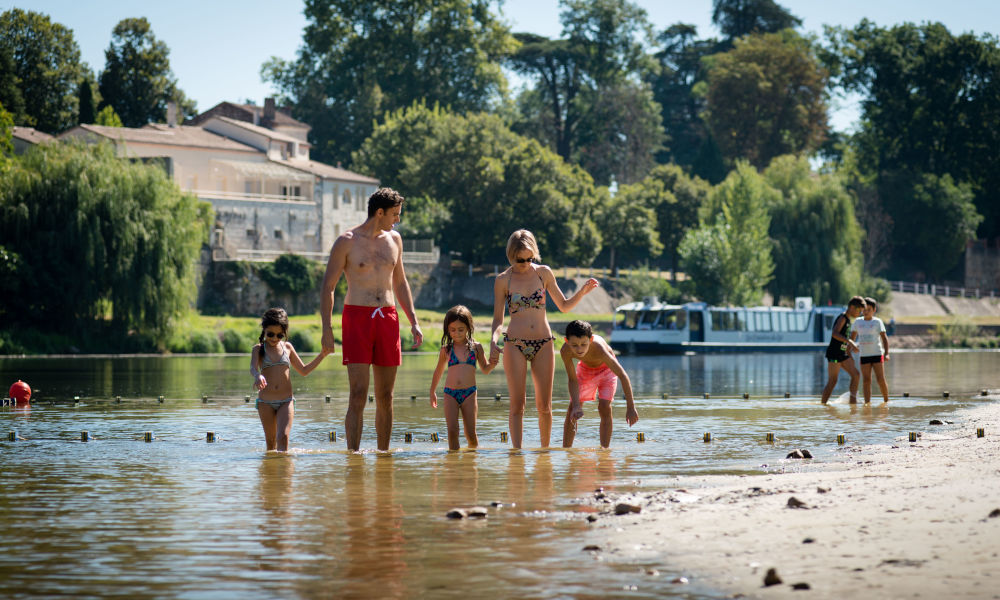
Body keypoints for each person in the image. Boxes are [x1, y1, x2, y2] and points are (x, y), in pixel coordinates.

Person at [320, 188, 423, 451]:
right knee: (357, 394)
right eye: (395, 214)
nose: (397, 220)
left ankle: (383, 454)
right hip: (357, 317)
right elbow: (328, 287)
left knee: (386, 396)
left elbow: (400, 283)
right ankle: (353, 455)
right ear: (380, 212)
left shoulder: (395, 240)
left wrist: (413, 320)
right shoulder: (347, 241)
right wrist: (327, 330)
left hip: (388, 318)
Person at [489, 229, 600, 448]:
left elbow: (564, 306)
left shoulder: (543, 273)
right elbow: (497, 320)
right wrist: (493, 341)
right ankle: (517, 454)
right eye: (520, 260)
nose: (525, 263)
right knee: (517, 405)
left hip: (543, 343)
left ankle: (545, 454)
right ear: (511, 255)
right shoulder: (503, 280)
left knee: (545, 406)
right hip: (515, 344)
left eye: (530, 258)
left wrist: (582, 292)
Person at [251, 307, 330, 451]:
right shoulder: (258, 349)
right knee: (270, 443)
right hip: (265, 402)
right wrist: (258, 375)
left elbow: (304, 370)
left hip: (286, 401)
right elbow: (253, 368)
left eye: (279, 335)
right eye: (270, 334)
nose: (275, 339)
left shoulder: (287, 347)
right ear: (264, 331)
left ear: (284, 333)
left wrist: (322, 355)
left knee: (283, 437)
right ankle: (271, 472)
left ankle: (285, 472)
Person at [428, 305, 499, 450]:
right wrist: (432, 391)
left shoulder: (476, 347)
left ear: (468, 328)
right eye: (452, 330)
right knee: (452, 431)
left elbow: (485, 369)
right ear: (448, 330)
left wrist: (492, 364)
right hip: (450, 394)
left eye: (461, 329)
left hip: (470, 394)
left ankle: (471, 461)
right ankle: (453, 463)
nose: (457, 333)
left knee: (471, 433)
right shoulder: (446, 350)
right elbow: (438, 371)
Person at [560, 320, 638, 448]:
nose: (579, 349)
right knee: (572, 409)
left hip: (607, 371)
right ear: (567, 341)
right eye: (574, 345)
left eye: (583, 344)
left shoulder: (599, 349)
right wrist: (575, 406)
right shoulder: (565, 351)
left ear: (590, 340)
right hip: (585, 370)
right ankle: (566, 450)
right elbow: (572, 380)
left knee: (604, 406)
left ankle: (604, 450)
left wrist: (630, 407)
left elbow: (622, 375)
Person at [820, 296, 866, 405]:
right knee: (833, 381)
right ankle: (823, 405)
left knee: (856, 374)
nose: (860, 313)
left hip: (843, 353)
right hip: (834, 354)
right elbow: (835, 333)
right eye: (859, 311)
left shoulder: (849, 320)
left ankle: (852, 402)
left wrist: (849, 352)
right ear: (852, 307)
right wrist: (850, 342)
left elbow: (844, 340)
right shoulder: (843, 318)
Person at [851, 297, 890, 403]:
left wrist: (886, 353)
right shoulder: (857, 322)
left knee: (880, 379)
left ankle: (886, 401)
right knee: (866, 380)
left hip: (877, 354)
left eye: (869, 310)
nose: (866, 312)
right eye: (864, 310)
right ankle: (867, 403)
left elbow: (884, 338)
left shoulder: (878, 322)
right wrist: (852, 348)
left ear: (874, 310)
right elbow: (852, 338)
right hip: (864, 355)